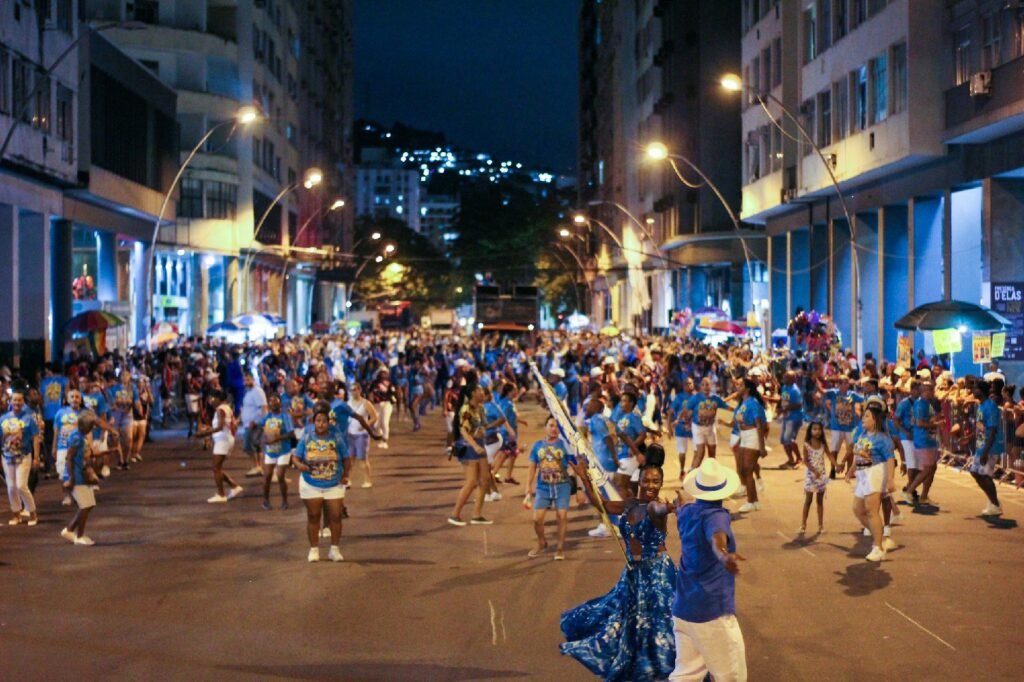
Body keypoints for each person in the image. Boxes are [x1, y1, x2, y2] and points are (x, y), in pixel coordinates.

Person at [560, 464, 678, 682]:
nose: (651, 485)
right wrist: (585, 479)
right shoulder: (630, 505)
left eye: (656, 481)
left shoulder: (656, 507)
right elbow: (602, 505)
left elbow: (659, 510)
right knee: (626, 620)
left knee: (660, 624)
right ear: (639, 481)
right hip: (634, 574)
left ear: (661, 484)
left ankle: (669, 669)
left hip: (657, 575)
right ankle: (645, 668)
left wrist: (671, 507)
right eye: (646, 480)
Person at [670, 458, 747, 682]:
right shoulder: (717, 515)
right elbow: (716, 538)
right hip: (711, 611)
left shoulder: (687, 512)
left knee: (686, 674)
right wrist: (724, 555)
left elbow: (681, 509)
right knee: (731, 675)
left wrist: (679, 503)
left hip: (684, 608)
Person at [292, 404, 350, 562]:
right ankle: (314, 549)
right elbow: (296, 457)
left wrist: (346, 475)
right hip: (311, 483)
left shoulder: (336, 437)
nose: (321, 424)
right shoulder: (307, 437)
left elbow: (346, 458)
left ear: (328, 422)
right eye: (318, 421)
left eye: (324, 421)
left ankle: (334, 550)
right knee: (313, 516)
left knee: (336, 516)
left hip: (334, 483)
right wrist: (300, 465)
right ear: (313, 421)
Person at [846, 397, 898, 562]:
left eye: (867, 416)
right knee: (857, 509)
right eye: (864, 415)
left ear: (875, 420)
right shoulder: (862, 434)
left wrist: (890, 480)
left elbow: (890, 459)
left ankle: (878, 547)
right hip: (862, 474)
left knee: (871, 510)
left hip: (875, 472)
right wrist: (851, 470)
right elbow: (858, 454)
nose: (863, 418)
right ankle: (880, 537)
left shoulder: (883, 438)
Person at [526, 416, 574, 561]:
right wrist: (528, 486)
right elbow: (532, 467)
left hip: (562, 486)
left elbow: (575, 466)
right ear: (545, 427)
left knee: (562, 516)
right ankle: (541, 542)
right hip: (543, 487)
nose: (554, 429)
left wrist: (580, 489)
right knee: (537, 519)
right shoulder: (537, 446)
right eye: (551, 425)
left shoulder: (566, 445)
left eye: (557, 426)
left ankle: (559, 548)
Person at [448, 384, 494, 527]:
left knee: (484, 480)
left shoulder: (481, 408)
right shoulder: (466, 409)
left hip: (480, 444)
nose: (483, 393)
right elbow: (464, 431)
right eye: (480, 390)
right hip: (469, 446)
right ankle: (455, 514)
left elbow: (483, 427)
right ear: (473, 393)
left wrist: (498, 424)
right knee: (471, 482)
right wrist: (475, 445)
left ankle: (477, 515)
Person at [194, 390, 244, 503]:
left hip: (223, 441)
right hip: (225, 439)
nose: (210, 401)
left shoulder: (220, 409)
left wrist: (204, 433)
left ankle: (221, 495)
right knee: (217, 468)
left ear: (218, 398)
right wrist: (209, 429)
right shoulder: (226, 408)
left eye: (211, 398)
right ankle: (234, 486)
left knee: (216, 468)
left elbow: (220, 427)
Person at [60, 410, 100, 546]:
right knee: (85, 506)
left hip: (82, 476)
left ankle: (69, 530)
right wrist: (71, 478)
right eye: (91, 425)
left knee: (89, 505)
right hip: (77, 477)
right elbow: (69, 458)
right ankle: (80, 536)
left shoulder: (81, 436)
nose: (92, 428)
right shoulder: (76, 438)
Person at [2, 390, 41, 526]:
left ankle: (32, 513)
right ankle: (16, 514)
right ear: (10, 401)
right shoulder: (3, 419)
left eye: (19, 400)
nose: (17, 402)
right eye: (14, 400)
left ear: (23, 402)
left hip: (24, 455)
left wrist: (36, 457)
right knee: (11, 487)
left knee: (21, 486)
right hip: (7, 456)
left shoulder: (29, 418)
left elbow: (35, 438)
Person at [969, 380, 1005, 516]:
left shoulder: (990, 407)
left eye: (975, 388)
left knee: (985, 475)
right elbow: (981, 427)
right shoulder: (981, 405)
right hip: (981, 445)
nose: (973, 391)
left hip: (990, 447)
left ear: (981, 390)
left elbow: (993, 430)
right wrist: (969, 437)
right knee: (975, 472)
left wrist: (985, 451)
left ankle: (995, 505)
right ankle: (993, 500)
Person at [905, 381, 942, 506]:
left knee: (932, 467)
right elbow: (920, 423)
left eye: (932, 389)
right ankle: (909, 491)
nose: (933, 392)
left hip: (929, 439)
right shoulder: (920, 404)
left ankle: (924, 496)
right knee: (927, 468)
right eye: (930, 389)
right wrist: (936, 424)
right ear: (924, 391)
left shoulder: (927, 403)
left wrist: (936, 419)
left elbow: (925, 419)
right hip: (923, 440)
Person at [734, 379, 767, 513]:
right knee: (743, 470)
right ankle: (755, 501)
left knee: (747, 470)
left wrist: (762, 446)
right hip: (744, 436)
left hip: (753, 435)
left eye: (741, 385)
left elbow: (759, 424)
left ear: (747, 389)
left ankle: (750, 502)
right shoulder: (744, 403)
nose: (738, 387)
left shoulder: (753, 403)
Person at [799, 420, 836, 534]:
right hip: (811, 476)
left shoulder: (823, 444)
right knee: (808, 500)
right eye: (814, 429)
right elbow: (805, 460)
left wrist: (836, 465)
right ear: (810, 431)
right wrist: (814, 470)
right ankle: (803, 525)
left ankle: (820, 526)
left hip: (821, 476)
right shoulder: (807, 444)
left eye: (819, 429)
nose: (817, 431)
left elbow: (829, 455)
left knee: (820, 501)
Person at [257, 393, 293, 510]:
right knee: (267, 476)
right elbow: (258, 425)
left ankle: (285, 501)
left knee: (280, 476)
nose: (273, 404)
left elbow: (291, 433)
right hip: (270, 451)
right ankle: (265, 501)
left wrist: (277, 438)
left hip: (283, 450)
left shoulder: (285, 416)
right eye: (271, 401)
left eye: (275, 401)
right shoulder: (267, 416)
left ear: (280, 403)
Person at [687, 378, 731, 469]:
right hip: (698, 428)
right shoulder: (695, 398)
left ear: (711, 386)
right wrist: (684, 422)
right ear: (700, 387)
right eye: (703, 385)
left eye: (707, 385)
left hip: (710, 428)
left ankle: (711, 474)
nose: (705, 387)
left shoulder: (715, 399)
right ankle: (691, 474)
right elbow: (686, 411)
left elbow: (727, 407)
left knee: (712, 456)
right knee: (700, 453)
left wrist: (738, 409)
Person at [347, 382, 379, 488]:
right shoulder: (348, 403)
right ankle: (348, 480)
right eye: (351, 390)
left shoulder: (366, 403)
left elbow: (374, 417)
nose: (353, 392)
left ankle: (368, 480)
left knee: (362, 459)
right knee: (350, 459)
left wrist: (365, 425)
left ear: (359, 390)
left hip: (361, 435)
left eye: (355, 390)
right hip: (350, 434)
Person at [893, 381, 921, 504]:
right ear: (912, 390)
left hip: (918, 437)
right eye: (918, 389)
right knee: (912, 464)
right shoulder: (904, 404)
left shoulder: (921, 403)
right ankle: (911, 490)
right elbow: (896, 420)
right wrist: (904, 431)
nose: (920, 392)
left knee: (920, 466)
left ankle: (909, 487)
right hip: (906, 437)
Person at [239, 371, 268, 477]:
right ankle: (258, 467)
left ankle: (257, 466)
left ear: (253, 379)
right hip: (248, 423)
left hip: (254, 424)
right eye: (244, 380)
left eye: (248, 380)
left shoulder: (257, 391)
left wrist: (258, 421)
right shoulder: (248, 392)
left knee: (248, 445)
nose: (246, 382)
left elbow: (264, 408)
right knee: (256, 445)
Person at [669, 377, 695, 476]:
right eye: (687, 384)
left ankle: (692, 469)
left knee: (698, 450)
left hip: (694, 427)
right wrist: (670, 428)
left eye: (691, 383)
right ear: (684, 386)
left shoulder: (697, 397)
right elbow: (670, 412)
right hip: (681, 427)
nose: (689, 386)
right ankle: (682, 470)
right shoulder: (679, 397)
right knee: (682, 451)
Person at [779, 372, 804, 468]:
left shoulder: (795, 390)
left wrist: (785, 409)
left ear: (793, 379)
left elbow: (799, 405)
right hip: (787, 417)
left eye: (786, 377)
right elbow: (783, 400)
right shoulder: (784, 387)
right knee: (783, 440)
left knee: (789, 439)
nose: (784, 379)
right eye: (784, 377)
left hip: (794, 417)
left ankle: (799, 459)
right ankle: (790, 460)